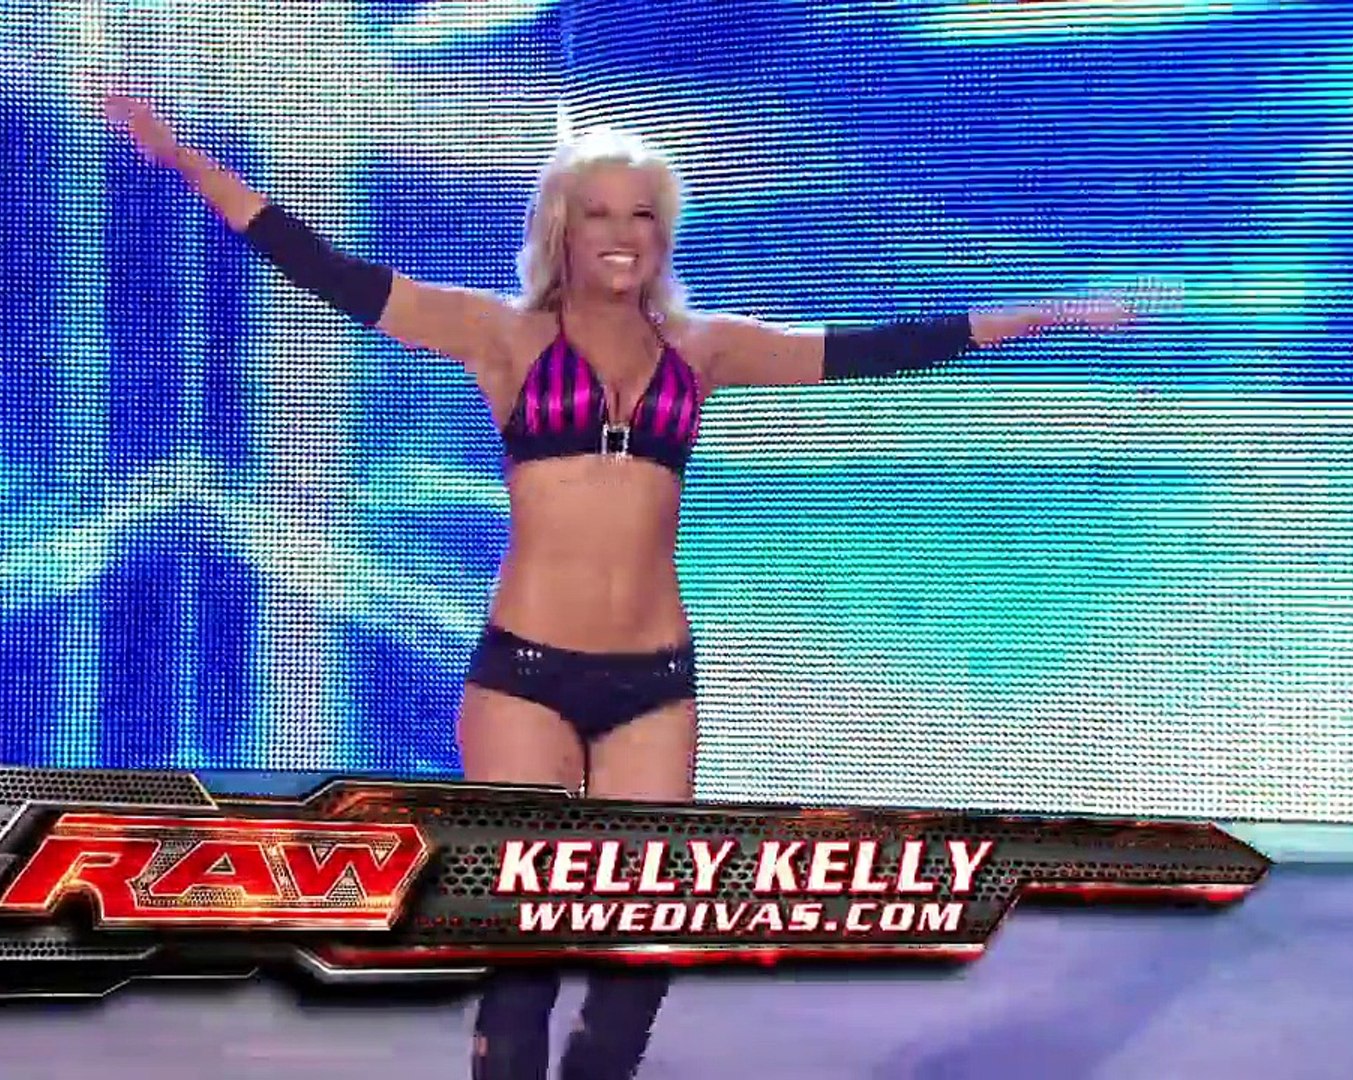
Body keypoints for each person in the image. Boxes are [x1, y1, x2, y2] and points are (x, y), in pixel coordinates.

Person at [103, 95, 1137, 1080]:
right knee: (526, 949)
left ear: (662, 234)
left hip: (653, 685)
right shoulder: (501, 336)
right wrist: (185, 160)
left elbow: (873, 351)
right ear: (562, 226)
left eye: (641, 214)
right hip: (526, 679)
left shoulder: (705, 348)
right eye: (598, 211)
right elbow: (333, 272)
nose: (621, 233)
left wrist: (1042, 317)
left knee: (640, 953)